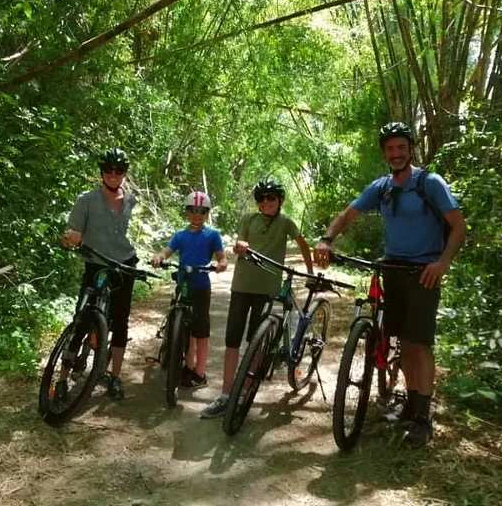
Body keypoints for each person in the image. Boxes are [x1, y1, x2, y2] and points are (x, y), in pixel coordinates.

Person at [314, 122, 466, 447]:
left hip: (423, 273)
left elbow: (458, 227)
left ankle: (423, 419)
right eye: (390, 149)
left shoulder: (430, 183)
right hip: (393, 271)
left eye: (401, 148)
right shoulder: (381, 187)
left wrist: (443, 263)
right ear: (384, 153)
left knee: (419, 345)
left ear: (410, 149)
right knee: (402, 343)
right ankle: (412, 406)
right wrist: (327, 239)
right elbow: (346, 215)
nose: (395, 154)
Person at [200, 178, 314, 419]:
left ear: (280, 201)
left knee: (256, 341)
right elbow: (239, 244)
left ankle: (246, 391)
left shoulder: (286, 223)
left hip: (266, 289)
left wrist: (311, 273)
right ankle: (225, 393)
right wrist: (240, 245)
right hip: (241, 286)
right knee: (232, 339)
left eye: (271, 198)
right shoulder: (248, 220)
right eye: (262, 199)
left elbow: (303, 244)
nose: (266, 202)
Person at [61, 147, 138, 400]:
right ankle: (62, 376)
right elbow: (71, 234)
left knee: (121, 321)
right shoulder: (86, 200)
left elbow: (129, 232)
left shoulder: (130, 200)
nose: (114, 175)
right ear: (102, 172)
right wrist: (71, 238)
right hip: (96, 263)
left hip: (124, 265)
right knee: (82, 318)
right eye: (109, 170)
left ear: (124, 173)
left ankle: (114, 376)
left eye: (119, 171)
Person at [151, 191, 228, 388]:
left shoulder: (212, 235)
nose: (197, 215)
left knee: (200, 330)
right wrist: (159, 258)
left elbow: (221, 257)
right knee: (180, 323)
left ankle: (200, 373)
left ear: (207, 213)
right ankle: (185, 363)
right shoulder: (180, 235)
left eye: (202, 211)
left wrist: (221, 264)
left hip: (201, 286)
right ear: (187, 212)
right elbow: (167, 251)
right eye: (193, 211)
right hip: (183, 284)